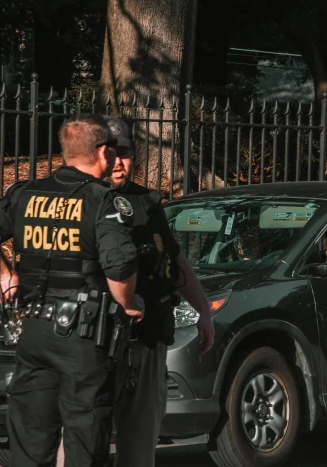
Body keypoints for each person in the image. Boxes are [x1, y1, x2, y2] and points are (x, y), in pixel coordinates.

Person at [0, 113, 145, 467]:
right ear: (103, 153)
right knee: (85, 433)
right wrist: (129, 304)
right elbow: (120, 266)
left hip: (32, 332)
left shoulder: (26, 194)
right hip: (84, 339)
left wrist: (5, 277)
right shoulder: (104, 201)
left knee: (31, 436)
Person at [105, 116, 215, 467]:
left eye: (125, 153)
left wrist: (204, 311)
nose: (118, 161)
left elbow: (175, 259)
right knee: (81, 437)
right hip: (95, 339)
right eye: (111, 152)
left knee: (140, 438)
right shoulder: (82, 200)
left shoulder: (146, 203)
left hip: (146, 338)